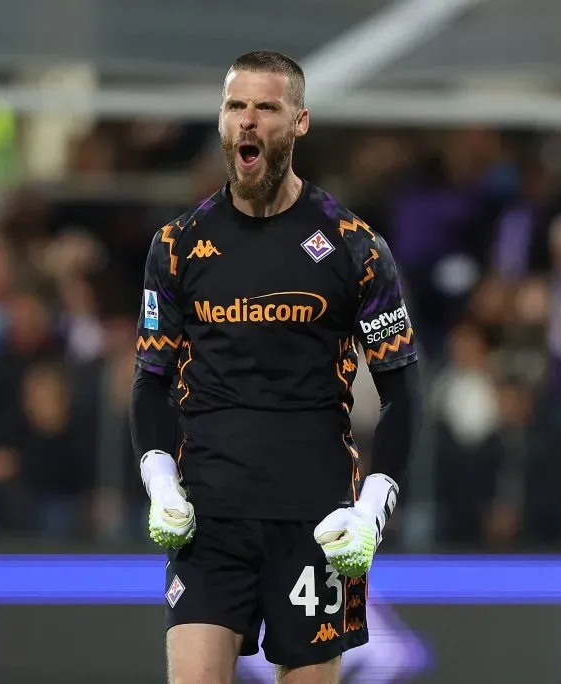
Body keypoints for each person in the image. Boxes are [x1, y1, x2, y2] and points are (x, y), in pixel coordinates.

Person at [130, 51, 422, 684]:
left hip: (316, 522)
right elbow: (150, 380)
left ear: (300, 122)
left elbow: (403, 390)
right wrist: (160, 482)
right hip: (209, 517)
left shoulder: (354, 247)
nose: (249, 122)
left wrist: (371, 510)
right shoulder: (177, 246)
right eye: (237, 107)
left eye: (267, 107)